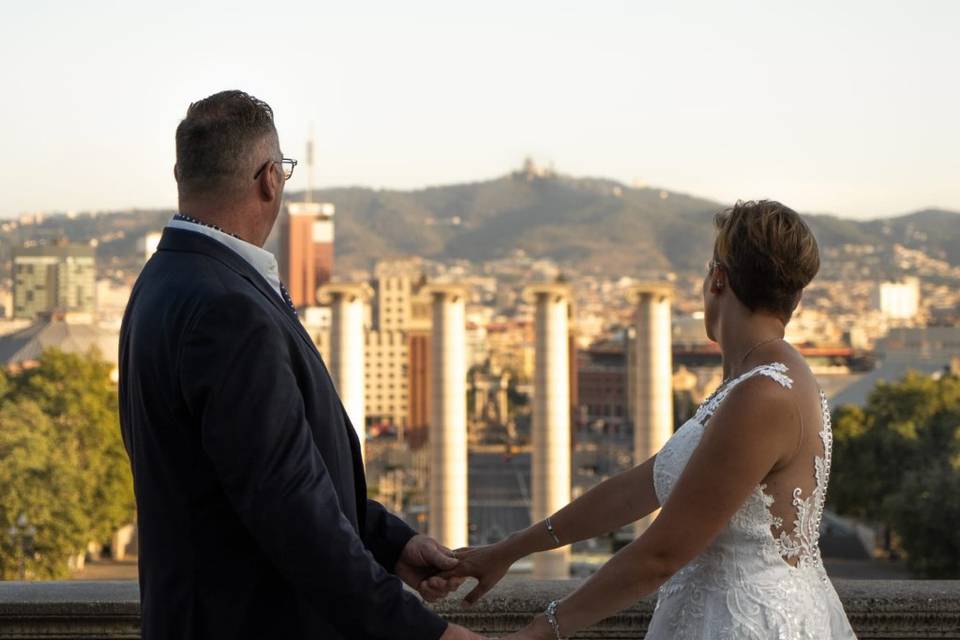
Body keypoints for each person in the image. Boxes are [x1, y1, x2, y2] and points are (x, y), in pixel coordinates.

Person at [118, 90, 484, 640]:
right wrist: (427, 634)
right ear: (270, 179)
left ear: (181, 175)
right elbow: (290, 508)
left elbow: (256, 473)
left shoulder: (161, 281)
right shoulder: (229, 308)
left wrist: (389, 541)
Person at [446, 200, 857, 639]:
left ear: (717, 278)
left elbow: (660, 555)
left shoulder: (762, 394)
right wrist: (508, 551)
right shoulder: (757, 378)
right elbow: (639, 487)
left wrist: (537, 632)